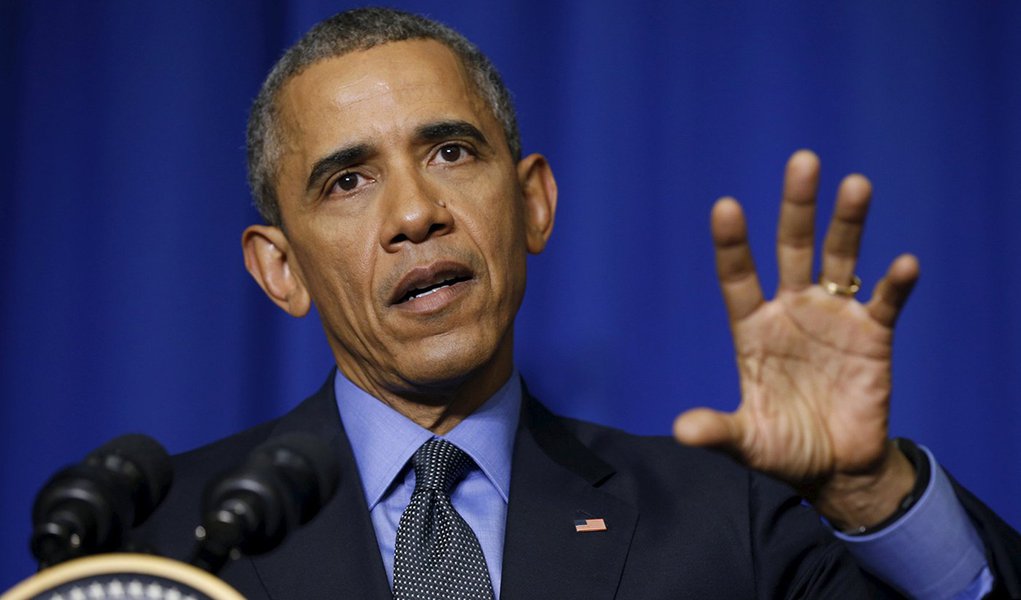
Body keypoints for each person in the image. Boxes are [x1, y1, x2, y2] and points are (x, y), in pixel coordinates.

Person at [132, 7, 1021, 598]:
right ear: (278, 269)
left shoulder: (727, 523)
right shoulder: (161, 545)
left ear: (534, 205)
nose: (414, 214)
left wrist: (869, 491)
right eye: (348, 181)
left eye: (450, 153)